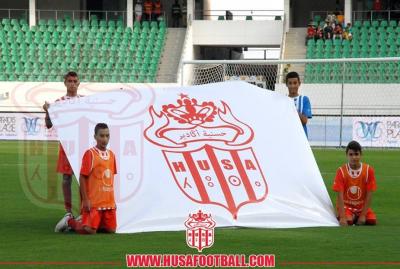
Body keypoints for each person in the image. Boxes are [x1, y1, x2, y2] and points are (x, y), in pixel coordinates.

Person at [55, 123, 118, 234]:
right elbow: (82, 177)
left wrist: (113, 201)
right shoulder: (90, 154)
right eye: (101, 136)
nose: (105, 139)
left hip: (108, 203)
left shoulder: (112, 155)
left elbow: (111, 180)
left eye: (107, 136)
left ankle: (89, 221)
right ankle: (70, 222)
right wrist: (85, 200)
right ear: (95, 137)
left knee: (111, 230)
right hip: (94, 203)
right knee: (89, 231)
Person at [43, 71, 83, 224]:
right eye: (69, 81)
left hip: (82, 146)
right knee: (66, 179)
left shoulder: (84, 101)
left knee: (83, 179)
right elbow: (49, 125)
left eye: (75, 81)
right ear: (65, 83)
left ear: (78, 83)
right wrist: (47, 112)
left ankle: (83, 211)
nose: (72, 84)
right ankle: (68, 212)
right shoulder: (58, 103)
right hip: (67, 145)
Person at [332, 141, 377, 226]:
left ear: (361, 154)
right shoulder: (341, 171)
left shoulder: (368, 170)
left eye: (356, 154)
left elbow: (369, 194)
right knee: (348, 221)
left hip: (361, 207)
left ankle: (357, 216)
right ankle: (351, 216)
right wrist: (342, 217)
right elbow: (339, 195)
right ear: (347, 155)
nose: (354, 157)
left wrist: (363, 215)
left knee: (372, 220)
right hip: (346, 207)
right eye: (351, 154)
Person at [286, 71, 312, 137]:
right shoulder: (283, 100)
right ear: (286, 84)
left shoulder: (304, 99)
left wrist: (293, 109)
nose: (292, 86)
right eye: (290, 83)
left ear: (299, 83)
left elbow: (304, 121)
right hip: (287, 136)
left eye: (295, 83)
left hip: (301, 138)